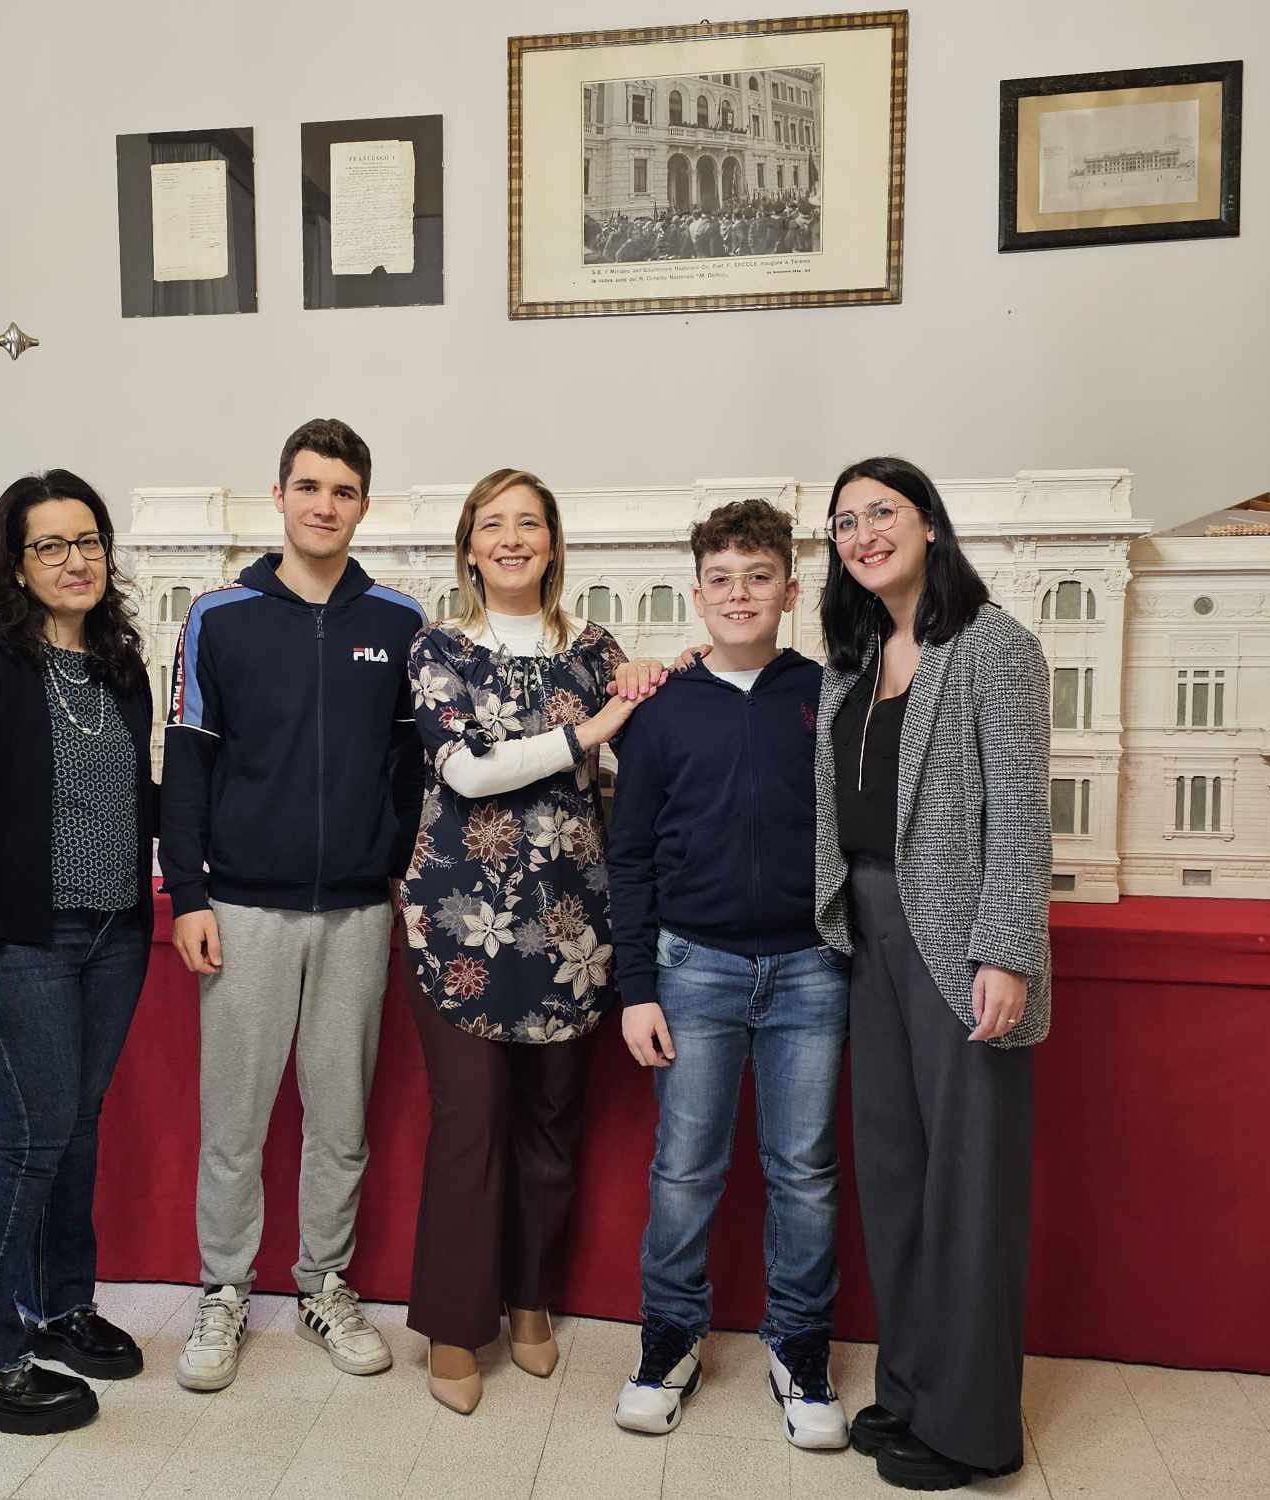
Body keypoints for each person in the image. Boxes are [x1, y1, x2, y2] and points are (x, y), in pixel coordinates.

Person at [161, 418, 426, 1392]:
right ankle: (224, 1291)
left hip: (356, 911)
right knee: (234, 1119)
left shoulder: (398, 622)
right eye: (308, 487)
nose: (324, 505)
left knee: (340, 1117)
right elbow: (186, 763)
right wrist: (188, 893)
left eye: (342, 491)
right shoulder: (218, 616)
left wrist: (394, 868)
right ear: (278, 495)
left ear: (363, 506)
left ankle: (323, 1284)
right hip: (242, 908)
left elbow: (409, 767)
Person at [398, 468, 665, 1415]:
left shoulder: (594, 649)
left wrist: (653, 682)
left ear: (553, 544)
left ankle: (530, 1301)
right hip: (457, 925)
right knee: (470, 1123)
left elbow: (648, 751)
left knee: (553, 1124)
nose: (511, 539)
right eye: (493, 524)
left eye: (529, 524)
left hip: (571, 924)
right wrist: (588, 732)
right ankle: (452, 1324)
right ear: (470, 546)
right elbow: (467, 772)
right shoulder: (439, 646)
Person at [811, 456, 1052, 1491]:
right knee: (895, 1174)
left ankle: (970, 1430)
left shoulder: (994, 646)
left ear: (929, 527)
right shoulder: (854, 657)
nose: (863, 533)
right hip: (865, 934)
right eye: (844, 522)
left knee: (968, 1186)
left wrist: (1007, 950)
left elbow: (1022, 811)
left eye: (883, 512)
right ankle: (910, 1389)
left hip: (959, 945)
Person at [0, 469, 160, 1435]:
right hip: (23, 940)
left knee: (78, 1126)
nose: (74, 561)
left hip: (115, 932)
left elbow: (132, 799)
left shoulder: (120, 668)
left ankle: (56, 1308)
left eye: (88, 541)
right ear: (15, 565)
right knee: (28, 1143)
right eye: (50, 545)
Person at [606, 499, 848, 1451]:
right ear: (697, 593)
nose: (739, 594)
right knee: (684, 1168)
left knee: (805, 1171)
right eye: (721, 579)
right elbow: (630, 856)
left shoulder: (827, 698)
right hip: (691, 970)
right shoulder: (659, 708)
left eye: (758, 577)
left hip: (811, 971)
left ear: (790, 590)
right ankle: (670, 1340)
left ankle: (799, 1344)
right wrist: (637, 989)